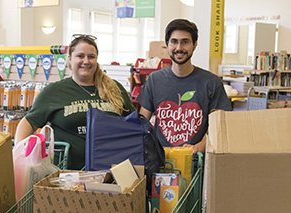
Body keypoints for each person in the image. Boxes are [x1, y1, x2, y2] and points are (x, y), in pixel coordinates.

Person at [14, 34, 135, 170]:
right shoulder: (54, 92)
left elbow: (133, 123)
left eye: (91, 56)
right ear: (70, 59)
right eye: (80, 56)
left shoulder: (114, 88)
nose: (86, 61)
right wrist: (21, 157)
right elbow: (28, 123)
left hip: (112, 171)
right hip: (68, 174)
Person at [137, 19, 232, 154]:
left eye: (185, 42)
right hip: (161, 162)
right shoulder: (154, 80)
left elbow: (220, 126)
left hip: (197, 163)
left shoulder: (211, 82)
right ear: (167, 45)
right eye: (174, 41)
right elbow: (142, 124)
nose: (179, 48)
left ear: (195, 45)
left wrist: (198, 147)